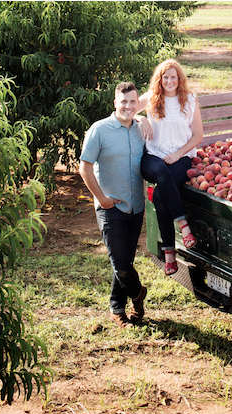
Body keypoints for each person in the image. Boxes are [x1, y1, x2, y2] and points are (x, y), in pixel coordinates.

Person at [79, 81, 148, 329]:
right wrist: (102, 198)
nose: (128, 106)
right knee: (120, 263)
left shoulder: (141, 128)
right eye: (123, 102)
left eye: (133, 102)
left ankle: (117, 309)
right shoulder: (99, 130)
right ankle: (138, 294)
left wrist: (144, 120)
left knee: (125, 262)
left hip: (136, 206)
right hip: (110, 207)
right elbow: (84, 168)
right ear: (115, 103)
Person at [133, 59, 202, 276]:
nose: (169, 81)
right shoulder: (152, 98)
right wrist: (140, 119)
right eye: (165, 77)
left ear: (179, 79)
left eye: (173, 77)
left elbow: (198, 136)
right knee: (161, 173)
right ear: (159, 79)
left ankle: (169, 253)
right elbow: (124, 109)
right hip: (154, 156)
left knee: (161, 193)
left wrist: (178, 154)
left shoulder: (190, 100)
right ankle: (184, 225)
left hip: (181, 157)